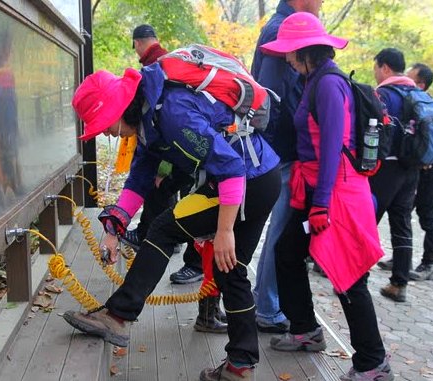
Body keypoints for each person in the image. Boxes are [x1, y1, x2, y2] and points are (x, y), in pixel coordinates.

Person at [63, 61, 281, 381]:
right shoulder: (150, 120)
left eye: (105, 122)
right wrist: (113, 230)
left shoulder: (173, 113)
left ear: (120, 106)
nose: (106, 131)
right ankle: (240, 365)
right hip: (263, 177)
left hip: (245, 182)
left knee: (164, 228)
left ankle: (118, 315)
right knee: (230, 271)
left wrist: (223, 230)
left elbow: (232, 167)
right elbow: (139, 180)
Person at [261, 13, 394, 381]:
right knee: (286, 252)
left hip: (337, 193)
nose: (285, 58)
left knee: (349, 276)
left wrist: (320, 204)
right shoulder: (312, 79)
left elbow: (333, 146)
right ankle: (305, 329)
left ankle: (373, 362)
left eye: (289, 52)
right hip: (318, 189)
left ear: (305, 52)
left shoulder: (329, 85)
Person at [250, 0, 322, 334]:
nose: (322, 4)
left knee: (276, 230)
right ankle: (266, 306)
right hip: (280, 152)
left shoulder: (282, 25)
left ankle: (265, 303)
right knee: (279, 231)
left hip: (277, 151)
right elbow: (271, 98)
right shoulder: (282, 30)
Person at [127, 24, 205, 287]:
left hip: (199, 154)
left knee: (196, 199)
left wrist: (163, 171)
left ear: (138, 43)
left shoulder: (156, 68)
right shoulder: (165, 60)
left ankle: (196, 264)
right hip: (189, 155)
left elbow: (165, 129)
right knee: (185, 199)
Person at [378, 63, 433, 281]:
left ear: (421, 84)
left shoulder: (430, 106)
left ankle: (429, 263)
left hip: (426, 172)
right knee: (402, 218)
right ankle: (400, 264)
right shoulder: (418, 104)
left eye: (411, 78)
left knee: (427, 216)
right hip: (413, 170)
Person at [370, 48, 420, 303]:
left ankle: (354, 279)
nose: (375, 72)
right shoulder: (419, 93)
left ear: (385, 68)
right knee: (402, 225)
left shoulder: (385, 94)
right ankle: (399, 283)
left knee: (367, 221)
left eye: (376, 67)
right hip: (412, 169)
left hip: (386, 169)